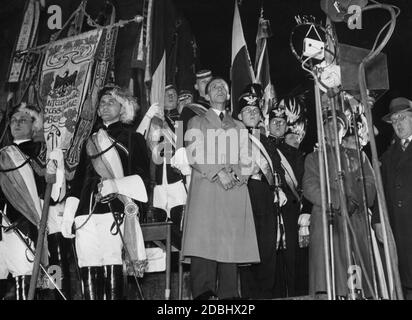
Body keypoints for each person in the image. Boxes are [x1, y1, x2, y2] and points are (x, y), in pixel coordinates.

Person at [61, 84, 150, 300]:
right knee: (87, 262)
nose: (106, 105)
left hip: (116, 207)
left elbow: (144, 178)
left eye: (112, 102)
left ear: (123, 108)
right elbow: (79, 179)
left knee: (111, 261)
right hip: (86, 210)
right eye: (102, 103)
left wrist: (116, 185)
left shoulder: (133, 138)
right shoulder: (88, 141)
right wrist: (69, 212)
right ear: (98, 111)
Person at [181, 77, 259, 300]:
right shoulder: (196, 121)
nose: (219, 90)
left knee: (229, 243)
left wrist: (235, 174)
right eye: (214, 87)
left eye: (223, 88)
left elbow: (248, 158)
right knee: (204, 242)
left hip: (233, 190)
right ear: (205, 96)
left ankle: (229, 296)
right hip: (207, 187)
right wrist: (217, 171)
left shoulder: (240, 126)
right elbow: (193, 152)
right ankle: (204, 295)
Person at [0, 103, 70, 300]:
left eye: (23, 120)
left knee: (54, 271)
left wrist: (54, 170)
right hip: (8, 220)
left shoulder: (44, 152)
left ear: (35, 125)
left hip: (39, 216)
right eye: (13, 120)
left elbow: (55, 193)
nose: (17, 124)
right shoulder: (4, 153)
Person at [303, 109, 376, 299]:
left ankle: (356, 295)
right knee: (328, 273)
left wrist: (356, 201)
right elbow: (310, 187)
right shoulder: (313, 158)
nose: (333, 129)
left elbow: (370, 184)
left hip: (356, 220)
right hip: (328, 219)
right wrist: (339, 200)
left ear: (344, 131)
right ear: (323, 130)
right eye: (328, 125)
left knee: (355, 269)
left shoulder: (359, 156)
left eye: (338, 125)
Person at [237, 86, 284, 299]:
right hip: (244, 196)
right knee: (248, 250)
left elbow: (277, 167)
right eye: (247, 110)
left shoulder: (266, 140)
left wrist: (279, 188)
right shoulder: (233, 137)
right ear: (238, 116)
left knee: (267, 250)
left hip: (266, 196)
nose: (253, 113)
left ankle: (265, 294)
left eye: (256, 109)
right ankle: (249, 297)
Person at [267, 98, 306, 298]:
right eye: (275, 121)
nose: (279, 124)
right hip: (268, 207)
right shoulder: (262, 147)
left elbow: (301, 181)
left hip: (289, 208)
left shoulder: (294, 152)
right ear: (268, 124)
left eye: (282, 122)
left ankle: (294, 293)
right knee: (271, 255)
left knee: (291, 254)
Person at [374, 97, 412, 299]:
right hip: (399, 229)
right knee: (404, 280)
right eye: (394, 120)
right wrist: (378, 220)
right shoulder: (388, 156)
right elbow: (381, 191)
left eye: (403, 118)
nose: (398, 123)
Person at [147, 84, 187, 248]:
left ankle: (183, 261)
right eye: (166, 94)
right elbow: (149, 145)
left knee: (181, 220)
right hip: (157, 180)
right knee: (158, 223)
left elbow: (183, 144)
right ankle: (169, 260)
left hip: (177, 179)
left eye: (173, 93)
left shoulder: (183, 119)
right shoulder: (154, 120)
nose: (170, 96)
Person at [179, 69, 213, 134]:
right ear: (196, 86)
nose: (208, 84)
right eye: (204, 82)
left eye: (210, 81)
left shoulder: (221, 108)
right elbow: (179, 138)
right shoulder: (189, 109)